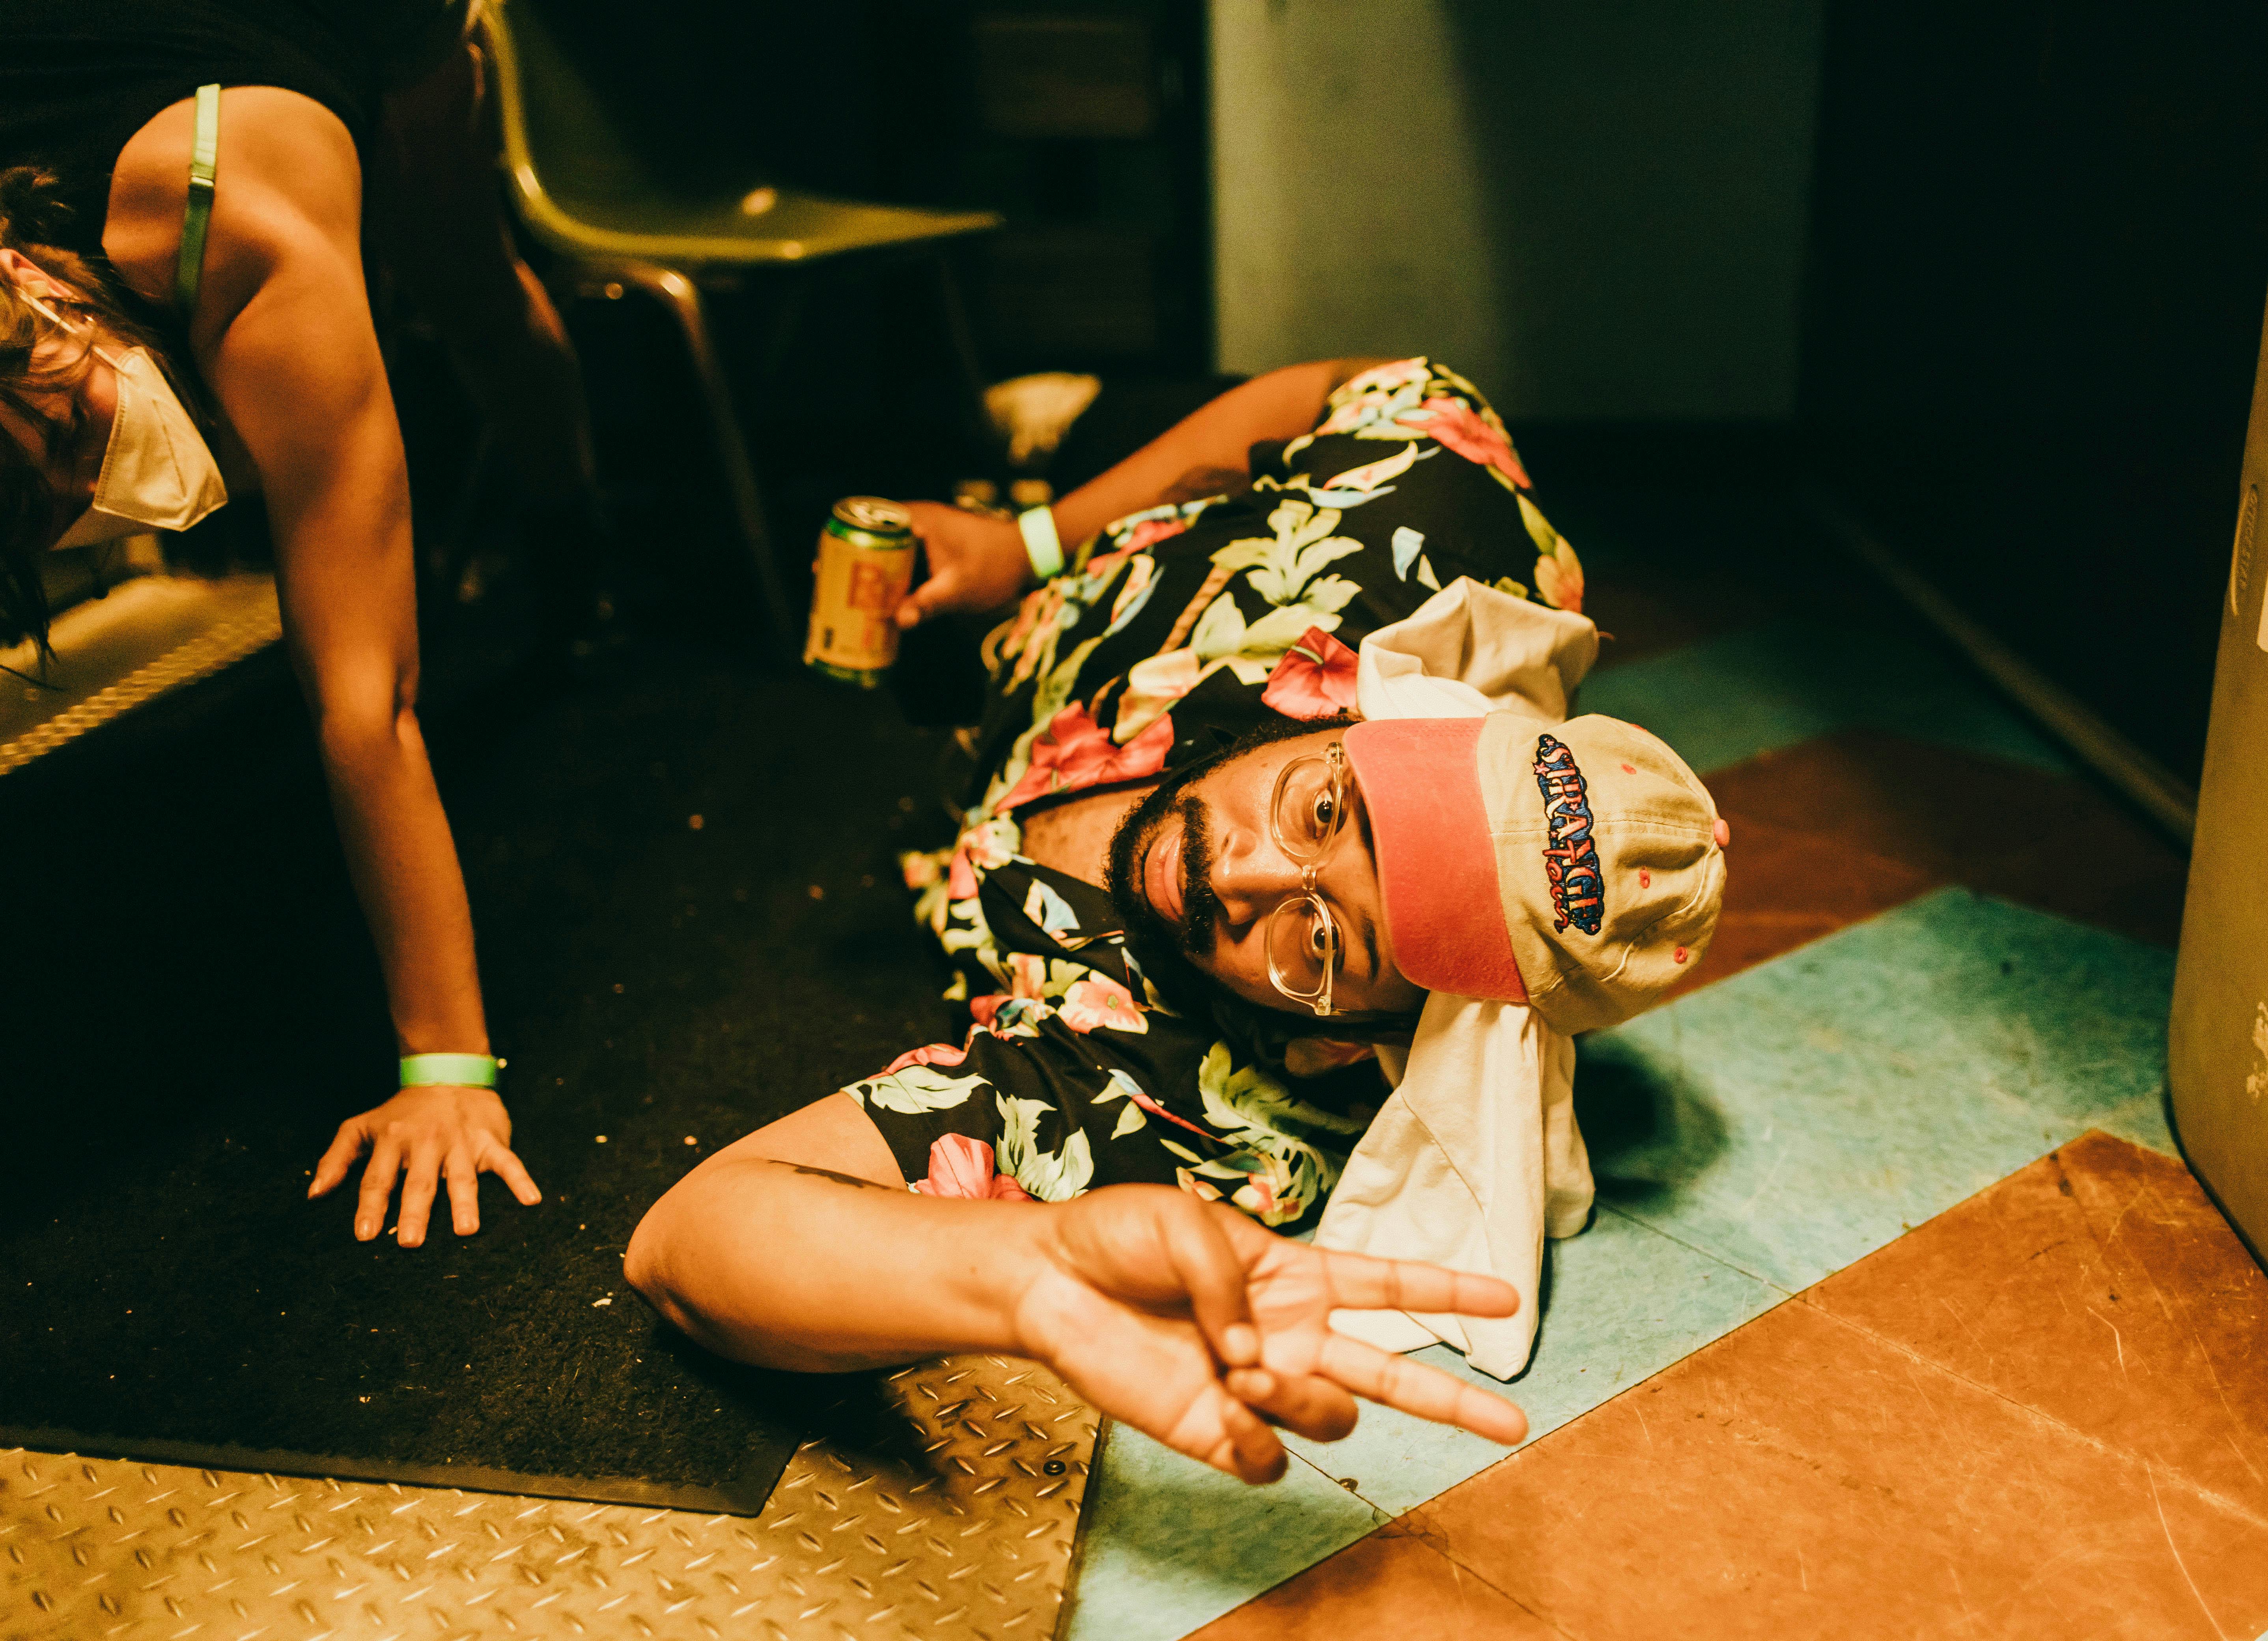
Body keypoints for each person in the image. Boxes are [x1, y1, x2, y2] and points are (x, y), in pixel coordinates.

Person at [627, 358, 1730, 1480]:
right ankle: (1063, 428)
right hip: (1079, 580)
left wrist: (1027, 1271)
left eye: (1321, 942)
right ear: (1359, 721)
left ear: (1351, 1040)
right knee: (1111, 420)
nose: (1244, 873)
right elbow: (1360, 383)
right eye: (1322, 809)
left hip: (939, 763)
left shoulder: (1198, 1108)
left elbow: (686, 1241)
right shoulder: (1418, 533)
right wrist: (1031, 544)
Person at [0, 1, 602, 1246]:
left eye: (73, 440)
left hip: (357, 21)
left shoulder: (243, 230)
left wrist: (447, 1069)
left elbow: (366, 701)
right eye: (52, 503)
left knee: (474, 296)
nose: (89, 489)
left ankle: (579, 578)